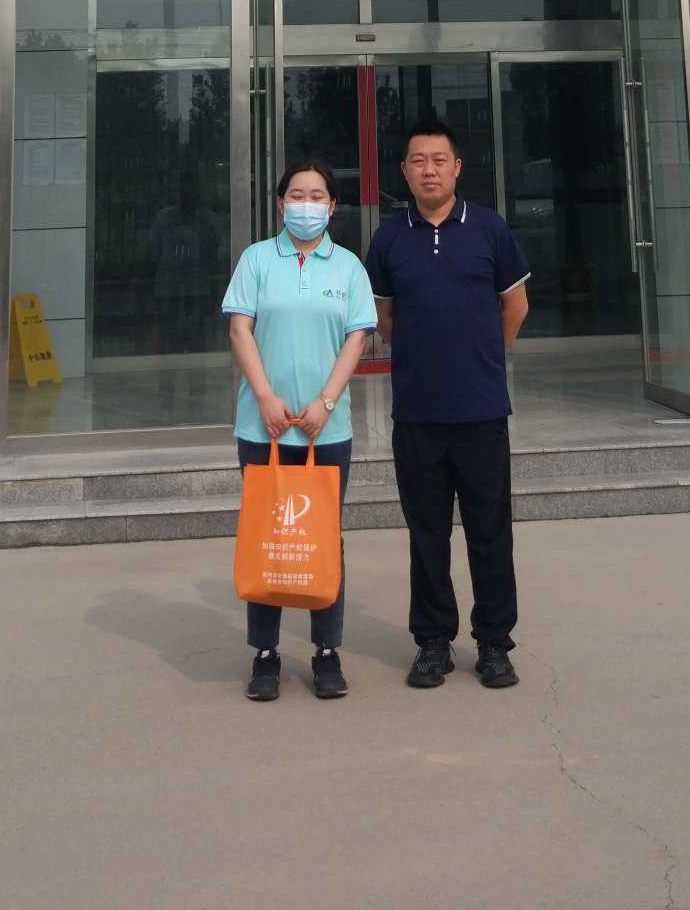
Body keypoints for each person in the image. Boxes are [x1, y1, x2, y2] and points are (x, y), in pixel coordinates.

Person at [365, 119, 530, 691]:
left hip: (481, 412)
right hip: (417, 413)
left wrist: (482, 356)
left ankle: (494, 643)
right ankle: (433, 641)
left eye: (439, 160)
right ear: (404, 171)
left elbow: (516, 306)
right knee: (427, 534)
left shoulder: (488, 229)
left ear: (457, 168)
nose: (429, 170)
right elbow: (384, 318)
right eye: (418, 161)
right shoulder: (389, 238)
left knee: (490, 532)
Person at [222, 158, 377, 702]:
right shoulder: (257, 259)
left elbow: (357, 338)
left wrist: (326, 402)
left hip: (325, 430)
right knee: (267, 535)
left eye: (316, 196)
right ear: (280, 202)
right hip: (261, 426)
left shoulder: (348, 267)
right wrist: (265, 396)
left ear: (332, 207)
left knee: (323, 538)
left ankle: (326, 651)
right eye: (296, 195)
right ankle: (265, 654)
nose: (305, 205)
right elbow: (240, 328)